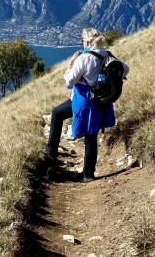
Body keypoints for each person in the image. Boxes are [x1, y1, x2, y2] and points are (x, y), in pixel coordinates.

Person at [44, 28, 129, 182]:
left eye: (83, 40)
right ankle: (88, 174)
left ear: (87, 42)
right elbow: (125, 69)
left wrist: (71, 64)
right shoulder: (107, 55)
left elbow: (69, 80)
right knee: (91, 136)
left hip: (83, 101)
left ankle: (51, 152)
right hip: (101, 101)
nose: (82, 43)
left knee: (57, 113)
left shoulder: (85, 58)